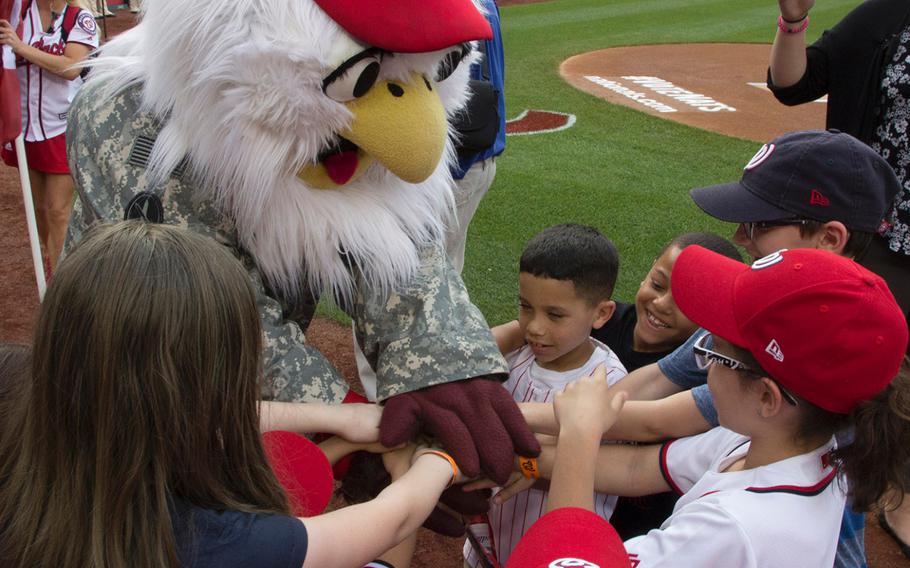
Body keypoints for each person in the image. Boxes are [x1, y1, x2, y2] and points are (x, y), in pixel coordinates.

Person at [65, 0, 538, 494]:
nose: (420, 146)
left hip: (224, 358)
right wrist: (340, 430)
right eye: (363, 77)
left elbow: (392, 229)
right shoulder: (140, 123)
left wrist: (446, 367)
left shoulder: (339, 103)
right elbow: (203, 317)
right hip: (130, 386)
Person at [0, 221, 469, 568]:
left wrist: (339, 419)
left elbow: (209, 415)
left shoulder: (19, 405)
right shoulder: (223, 542)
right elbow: (393, 519)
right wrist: (436, 459)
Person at [500, 246, 909, 567]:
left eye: (716, 350)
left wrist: (578, 437)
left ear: (766, 397)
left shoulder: (732, 528)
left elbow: (565, 560)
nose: (704, 362)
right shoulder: (780, 442)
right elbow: (637, 468)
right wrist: (519, 454)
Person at [463, 223, 628, 568]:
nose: (535, 326)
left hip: (555, 553)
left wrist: (523, 464)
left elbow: (599, 472)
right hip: (488, 542)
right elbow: (462, 362)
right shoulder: (515, 356)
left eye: (554, 314)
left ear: (601, 313)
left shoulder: (608, 383)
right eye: (526, 307)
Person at [767, 0, 910, 329]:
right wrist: (794, 20)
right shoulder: (891, 14)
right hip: (882, 237)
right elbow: (795, 84)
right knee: (847, 350)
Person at [0, 0, 98, 271]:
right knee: (39, 211)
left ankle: (62, 278)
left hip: (61, 129)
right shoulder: (17, 14)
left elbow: (71, 68)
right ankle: (54, 255)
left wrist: (21, 48)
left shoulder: (79, 18)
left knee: (57, 210)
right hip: (25, 129)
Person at [445, 0, 506, 274]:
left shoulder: (459, 7)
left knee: (424, 282)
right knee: (446, 273)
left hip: (459, 165)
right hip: (473, 158)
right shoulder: (484, 4)